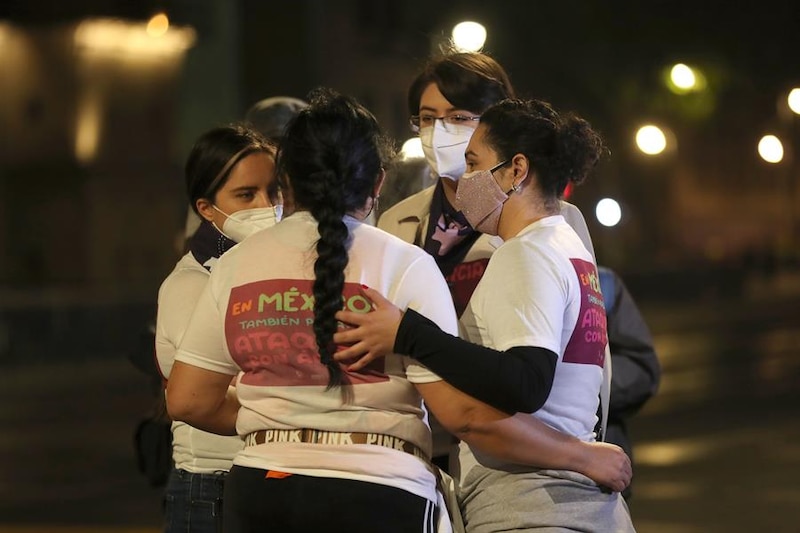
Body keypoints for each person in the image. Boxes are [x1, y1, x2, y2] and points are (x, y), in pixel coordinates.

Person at [165, 88, 632, 533]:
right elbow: (463, 413)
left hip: (261, 488)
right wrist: (583, 455)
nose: (463, 177)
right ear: (377, 184)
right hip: (380, 490)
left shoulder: (236, 265)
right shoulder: (407, 264)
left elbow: (187, 400)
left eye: (473, 161)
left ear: (286, 183)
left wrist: (280, 420)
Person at [334, 97, 636, 531]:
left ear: (516, 170)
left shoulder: (526, 253)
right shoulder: (566, 246)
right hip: (572, 501)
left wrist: (408, 333)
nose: (465, 179)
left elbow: (525, 383)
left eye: (474, 164)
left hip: (532, 504)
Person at [376, 50, 598, 467]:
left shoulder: (545, 224)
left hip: (506, 440)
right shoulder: (396, 220)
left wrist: (585, 449)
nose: (439, 131)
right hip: (414, 437)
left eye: (459, 117)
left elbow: (583, 347)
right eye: (427, 117)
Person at [155, 124, 282, 533]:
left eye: (275, 190)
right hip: (211, 486)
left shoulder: (273, 267)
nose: (267, 205)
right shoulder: (191, 284)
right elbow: (201, 397)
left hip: (267, 475)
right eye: (246, 195)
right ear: (207, 209)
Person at [598, 265, 661, 500]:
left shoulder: (601, 282)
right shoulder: (483, 274)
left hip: (603, 478)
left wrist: (584, 387)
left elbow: (642, 368)